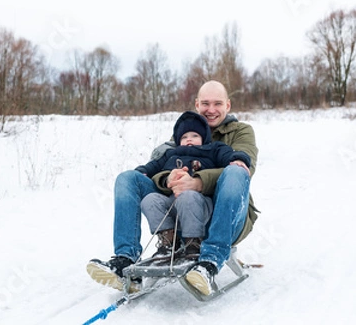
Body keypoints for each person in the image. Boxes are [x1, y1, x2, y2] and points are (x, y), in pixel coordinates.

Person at [87, 80, 259, 296]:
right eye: (206, 103)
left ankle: (210, 261)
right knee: (127, 179)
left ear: (228, 105)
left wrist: (197, 181)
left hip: (225, 216)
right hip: (181, 212)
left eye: (218, 103)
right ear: (197, 104)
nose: (211, 109)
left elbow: (245, 167)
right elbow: (158, 165)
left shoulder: (241, 132)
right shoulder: (183, 133)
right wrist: (169, 178)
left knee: (236, 171)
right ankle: (125, 260)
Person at [136, 111, 251, 260]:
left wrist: (239, 158)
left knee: (187, 196)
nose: (189, 139)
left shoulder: (213, 149)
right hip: (173, 203)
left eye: (195, 136)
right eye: (184, 137)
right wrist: (142, 171)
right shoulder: (170, 154)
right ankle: (169, 243)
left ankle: (193, 244)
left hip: (201, 204)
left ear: (204, 138)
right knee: (150, 200)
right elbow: (153, 166)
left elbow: (229, 155)